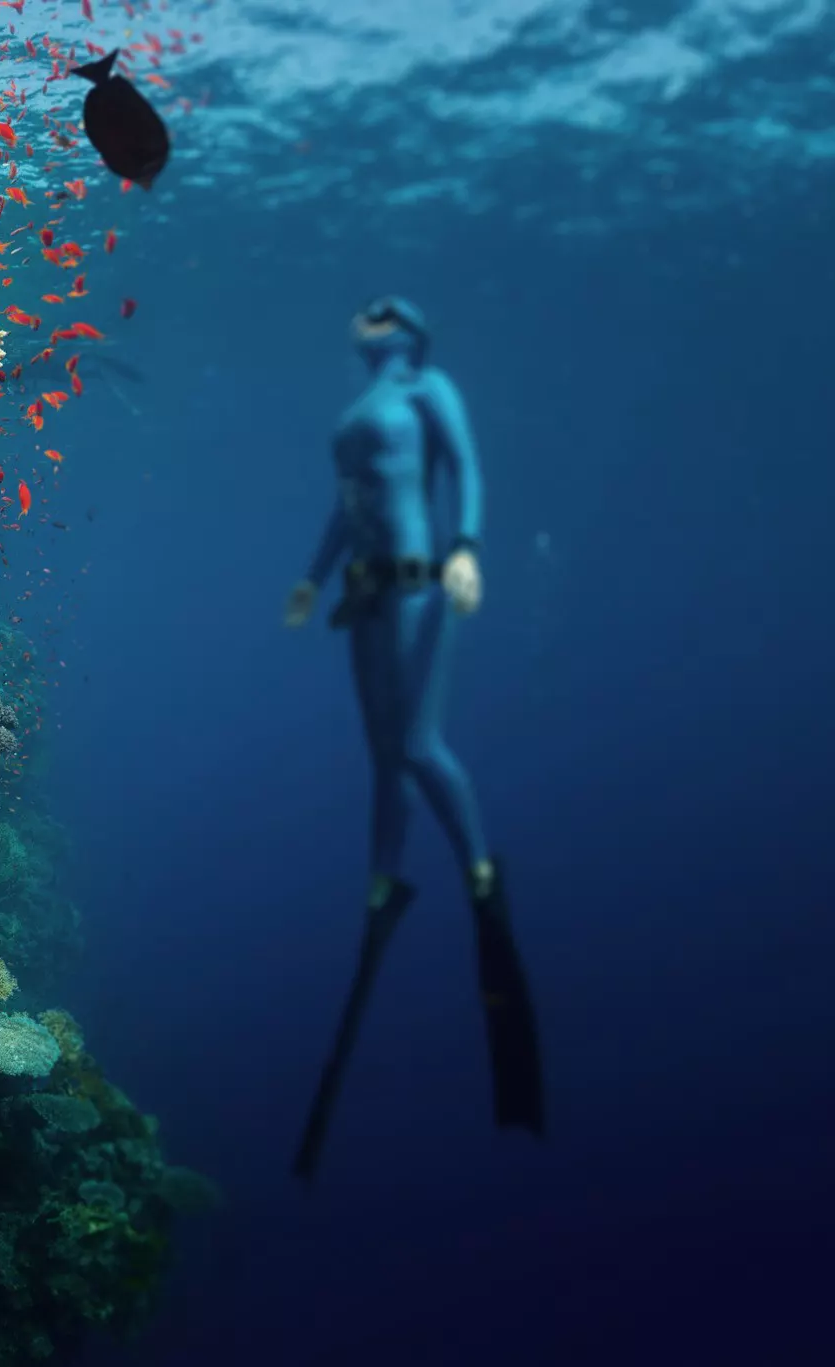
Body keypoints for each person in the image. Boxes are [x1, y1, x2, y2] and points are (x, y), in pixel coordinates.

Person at [286, 298, 544, 1177]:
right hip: (362, 592)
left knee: (418, 743)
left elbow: (465, 470)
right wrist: (312, 579)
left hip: (417, 581)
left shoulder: (431, 387)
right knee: (382, 759)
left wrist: (468, 543)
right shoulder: (363, 409)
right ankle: (383, 881)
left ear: (415, 332)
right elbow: (344, 502)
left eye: (389, 310)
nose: (370, 314)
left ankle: (478, 874)